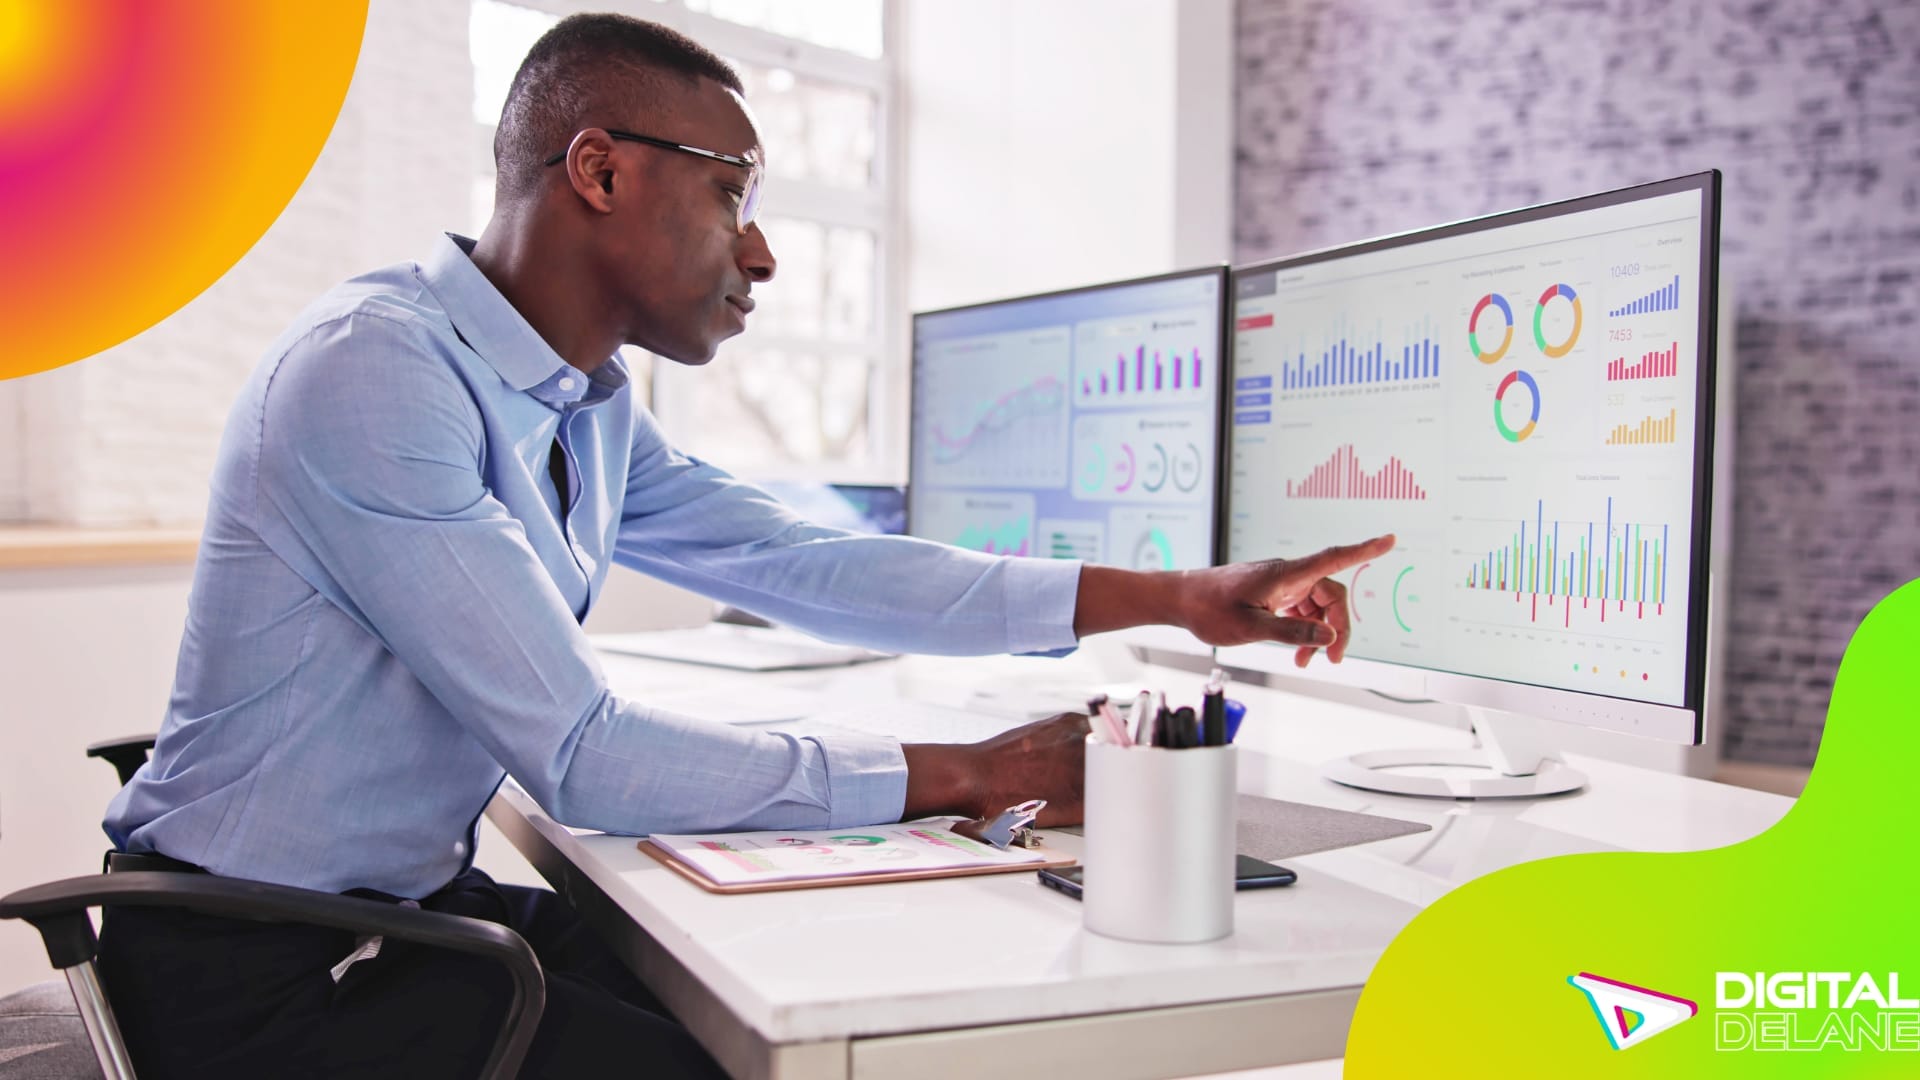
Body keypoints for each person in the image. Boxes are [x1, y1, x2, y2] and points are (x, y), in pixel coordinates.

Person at [97, 12, 1393, 1079]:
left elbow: (814, 567)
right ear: (598, 172)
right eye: (731, 196)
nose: (763, 251)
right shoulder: (376, 374)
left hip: (400, 918)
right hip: (264, 973)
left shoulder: (583, 401)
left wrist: (1184, 596)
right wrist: (970, 769)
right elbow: (588, 759)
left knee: (764, 1015)